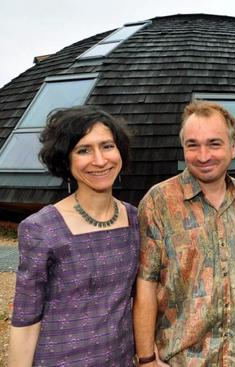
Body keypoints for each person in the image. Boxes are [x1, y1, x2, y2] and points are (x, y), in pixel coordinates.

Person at [133, 100, 235, 366]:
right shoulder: (158, 202)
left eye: (214, 143)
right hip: (180, 359)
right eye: (192, 145)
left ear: (233, 148)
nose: (203, 155)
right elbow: (145, 283)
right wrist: (146, 359)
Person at [8, 106, 139, 366]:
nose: (100, 160)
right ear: (65, 160)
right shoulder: (41, 228)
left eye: (107, 146)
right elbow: (26, 319)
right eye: (83, 150)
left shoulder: (136, 219)